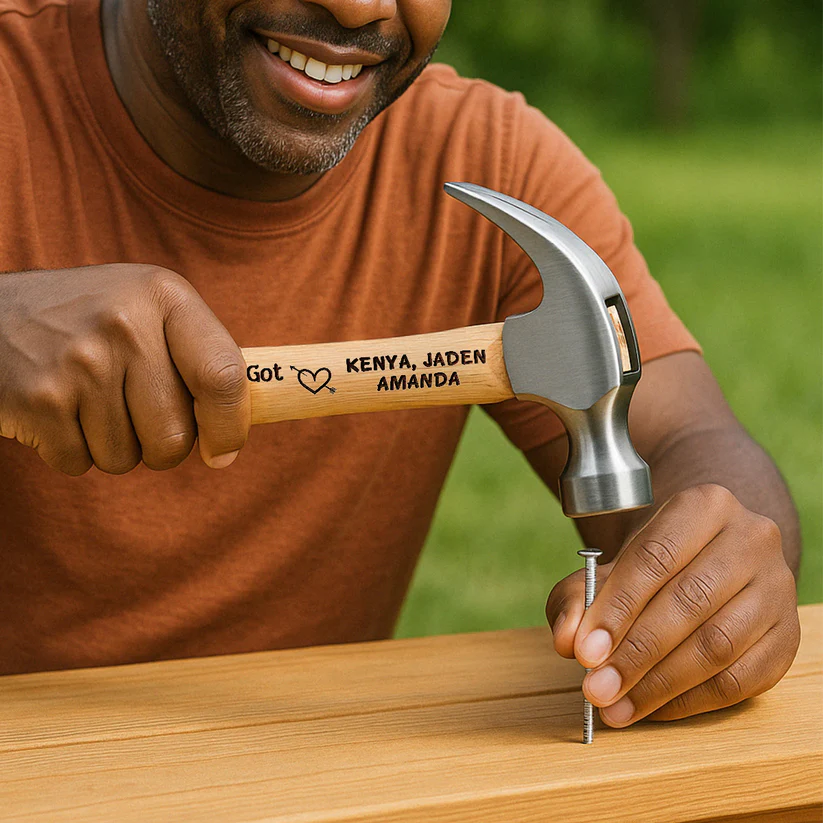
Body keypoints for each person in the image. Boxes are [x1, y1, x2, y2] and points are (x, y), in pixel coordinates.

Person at [0, 0, 800, 729]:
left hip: (305, 779)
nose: (360, 6)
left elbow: (687, 435)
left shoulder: (483, 156)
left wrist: (715, 572)